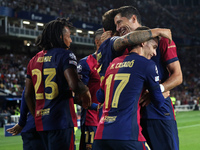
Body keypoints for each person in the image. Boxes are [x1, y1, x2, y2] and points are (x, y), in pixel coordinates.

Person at [113, 6, 182, 150]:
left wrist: (157, 90)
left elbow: (178, 76)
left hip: (159, 113)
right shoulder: (123, 45)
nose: (118, 28)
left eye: (119, 22)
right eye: (116, 25)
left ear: (133, 18)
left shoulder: (161, 41)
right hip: (132, 117)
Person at [93, 26, 169, 150]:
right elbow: (159, 101)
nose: (155, 53)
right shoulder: (148, 65)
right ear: (143, 42)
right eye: (154, 47)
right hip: (127, 136)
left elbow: (100, 96)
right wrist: (163, 92)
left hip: (101, 136)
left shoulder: (114, 63)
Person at [24, 18, 91, 150]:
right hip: (61, 122)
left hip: (41, 123)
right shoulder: (65, 54)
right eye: (69, 36)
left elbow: (27, 95)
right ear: (61, 37)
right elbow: (75, 85)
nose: (70, 40)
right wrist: (86, 92)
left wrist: (37, 115)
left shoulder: (33, 60)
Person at [77, 28, 103, 150]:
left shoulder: (114, 62)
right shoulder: (86, 63)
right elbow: (78, 96)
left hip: (109, 118)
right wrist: (95, 106)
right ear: (97, 42)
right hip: (92, 118)